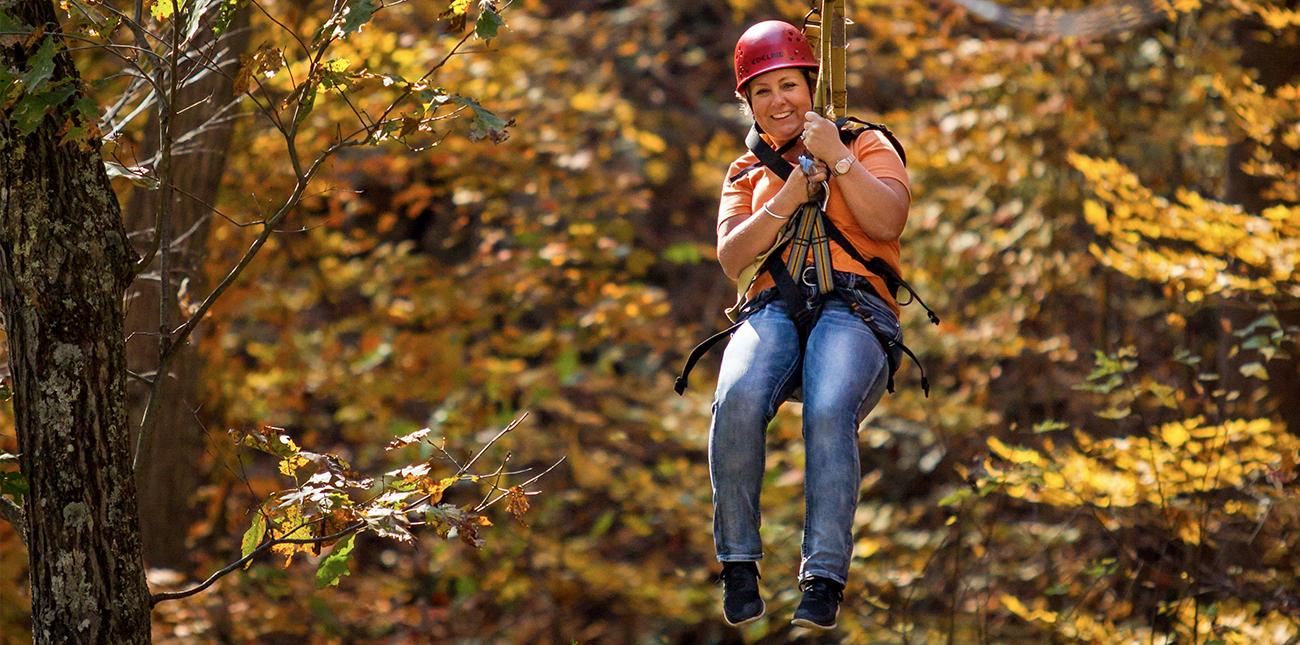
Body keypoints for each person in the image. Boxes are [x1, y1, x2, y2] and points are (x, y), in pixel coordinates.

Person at [710, 20, 911, 630]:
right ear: (748, 101)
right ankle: (738, 563)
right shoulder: (746, 172)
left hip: (855, 308)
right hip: (775, 306)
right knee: (736, 396)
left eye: (790, 86)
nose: (779, 101)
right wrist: (789, 195)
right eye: (763, 91)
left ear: (811, 86)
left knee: (828, 409)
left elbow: (889, 221)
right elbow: (731, 257)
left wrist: (839, 161)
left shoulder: (868, 143)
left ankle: (823, 577)